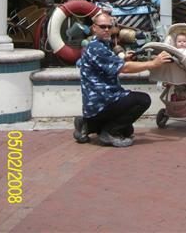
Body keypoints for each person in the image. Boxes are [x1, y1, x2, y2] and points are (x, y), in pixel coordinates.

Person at [73, 12, 171, 147]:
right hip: (104, 101)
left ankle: (87, 125)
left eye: (109, 26)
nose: (107, 29)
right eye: (102, 27)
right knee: (143, 100)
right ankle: (109, 132)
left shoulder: (99, 45)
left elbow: (108, 63)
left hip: (96, 104)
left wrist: (123, 58)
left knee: (127, 130)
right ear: (94, 28)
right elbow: (124, 69)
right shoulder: (96, 47)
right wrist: (153, 64)